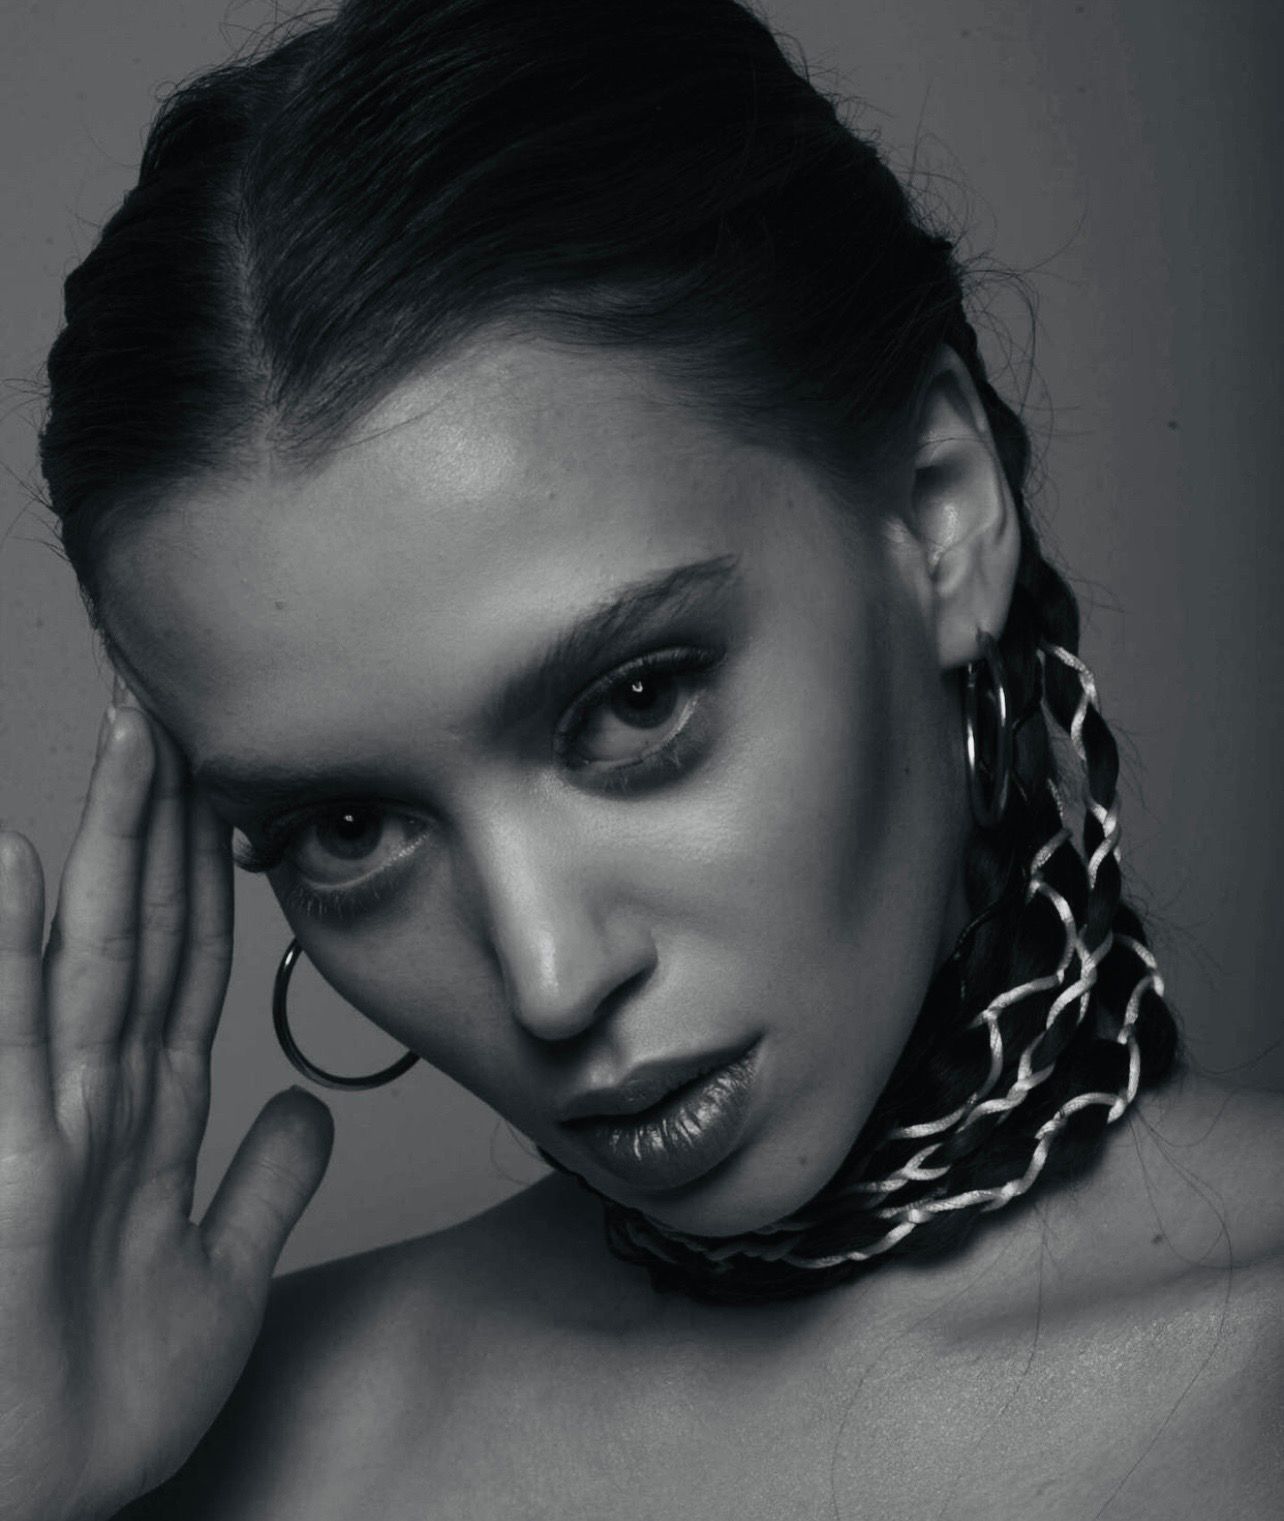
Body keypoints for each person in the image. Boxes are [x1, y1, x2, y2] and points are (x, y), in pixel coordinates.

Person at [4, 0, 1281, 1515]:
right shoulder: (195, 1450)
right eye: (347, 827)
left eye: (635, 701)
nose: (551, 977)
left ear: (940, 514)